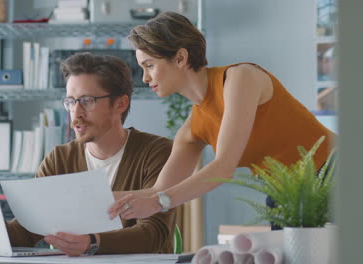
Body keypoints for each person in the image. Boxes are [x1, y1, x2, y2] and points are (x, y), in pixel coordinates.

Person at [108, 11, 336, 224]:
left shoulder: (240, 78)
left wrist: (159, 203)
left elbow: (223, 167)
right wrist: (93, 198)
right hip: (288, 193)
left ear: (180, 58)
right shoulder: (192, 130)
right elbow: (156, 190)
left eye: (149, 65)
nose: (146, 78)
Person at [6, 53, 176, 256]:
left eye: (87, 101)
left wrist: (93, 243)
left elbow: (154, 233)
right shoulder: (60, 158)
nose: (76, 113)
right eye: (70, 101)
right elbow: (28, 229)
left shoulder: (157, 152)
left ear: (120, 104)